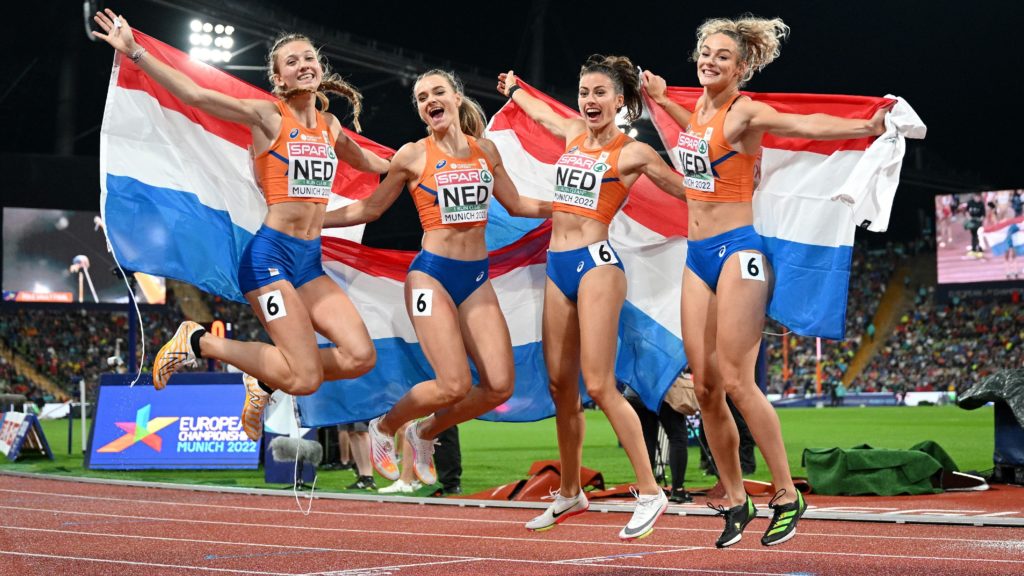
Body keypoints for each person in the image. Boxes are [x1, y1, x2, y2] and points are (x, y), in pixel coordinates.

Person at [643, 16, 888, 548]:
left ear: (742, 67)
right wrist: (662, 99)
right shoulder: (701, 111)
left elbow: (803, 124)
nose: (710, 60)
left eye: (723, 56)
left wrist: (865, 127)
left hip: (738, 253)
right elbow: (696, 132)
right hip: (697, 256)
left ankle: (785, 493)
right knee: (704, 387)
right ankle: (735, 496)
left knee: (735, 379)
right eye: (705, 51)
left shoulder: (745, 111)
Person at [92, 10, 388, 442]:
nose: (304, 64)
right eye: (292, 61)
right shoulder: (267, 116)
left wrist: (424, 163)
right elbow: (194, 95)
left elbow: (373, 162)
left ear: (320, 69)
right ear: (279, 78)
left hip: (309, 261)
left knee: (361, 356)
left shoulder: (330, 125)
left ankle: (265, 379)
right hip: (269, 260)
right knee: (304, 379)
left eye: (309, 57)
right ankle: (198, 342)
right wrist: (135, 50)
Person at [323, 70, 550, 489]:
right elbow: (370, 209)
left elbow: (517, 204)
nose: (430, 100)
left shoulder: (486, 151)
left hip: (475, 280)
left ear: (457, 97)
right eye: (422, 97)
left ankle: (424, 432)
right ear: (422, 111)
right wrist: (315, 221)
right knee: (453, 383)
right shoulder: (412, 155)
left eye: (438, 92)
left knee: (499, 386)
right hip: (432, 277)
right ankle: (385, 427)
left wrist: (569, 206)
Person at [496, 54, 687, 541]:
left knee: (600, 385)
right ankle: (570, 494)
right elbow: (540, 112)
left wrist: (733, 173)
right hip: (557, 268)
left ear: (619, 101)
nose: (589, 100)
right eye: (584, 93)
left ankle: (650, 490)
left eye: (600, 92)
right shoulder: (571, 133)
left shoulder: (633, 153)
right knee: (562, 387)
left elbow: (687, 190)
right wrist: (515, 88)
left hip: (598, 266)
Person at [623, 383, 692, 504]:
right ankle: (678, 489)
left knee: (646, 439)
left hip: (637, 390)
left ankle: (648, 489)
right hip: (665, 390)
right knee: (678, 438)